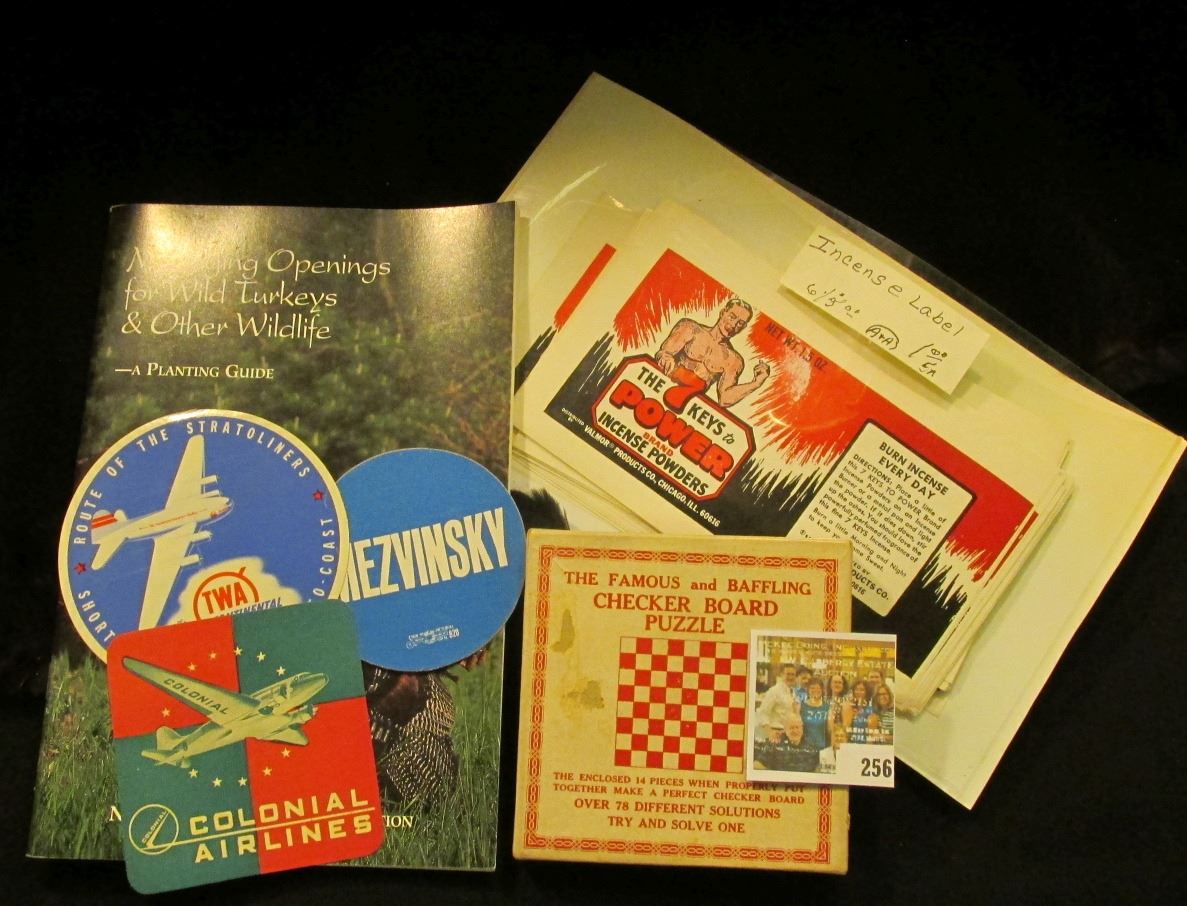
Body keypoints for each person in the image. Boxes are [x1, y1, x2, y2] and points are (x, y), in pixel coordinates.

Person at [654, 297, 770, 408]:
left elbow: (724, 399)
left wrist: (756, 383)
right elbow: (664, 353)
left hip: (687, 403)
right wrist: (666, 359)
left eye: (740, 323)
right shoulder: (690, 328)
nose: (733, 325)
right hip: (663, 387)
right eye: (732, 317)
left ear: (743, 327)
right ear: (723, 312)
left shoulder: (734, 360)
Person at [753, 714, 819, 773]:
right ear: (785, 730)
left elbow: (817, 768)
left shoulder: (811, 745)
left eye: (797, 727)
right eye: (791, 728)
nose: (795, 731)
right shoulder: (775, 742)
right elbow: (757, 765)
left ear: (802, 729)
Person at [754, 662, 798, 739]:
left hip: (788, 732)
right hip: (776, 731)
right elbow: (762, 713)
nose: (790, 677)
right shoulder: (774, 691)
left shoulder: (793, 692)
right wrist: (769, 732)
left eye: (793, 674)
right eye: (788, 674)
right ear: (781, 674)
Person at [799, 676, 831, 751]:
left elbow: (830, 730)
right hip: (804, 748)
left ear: (822, 690)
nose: (815, 690)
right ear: (808, 690)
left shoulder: (828, 707)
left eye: (818, 688)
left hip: (822, 748)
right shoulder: (801, 706)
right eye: (812, 688)